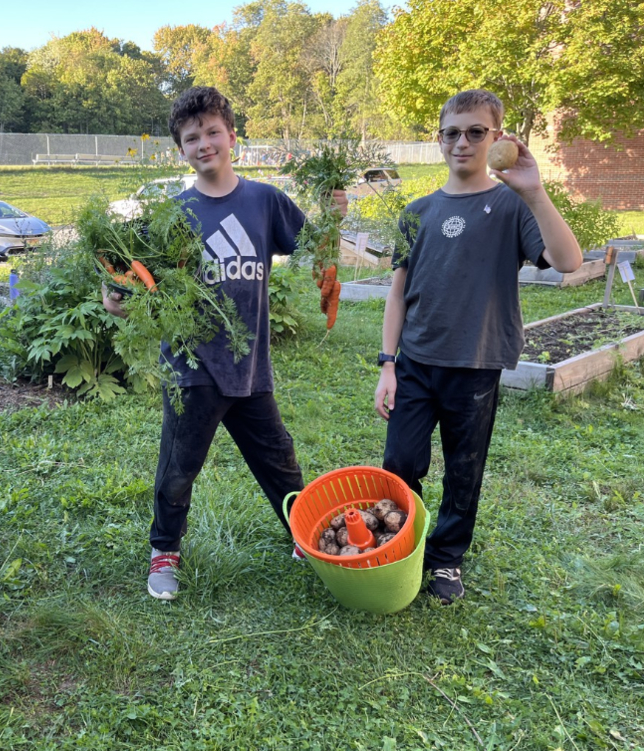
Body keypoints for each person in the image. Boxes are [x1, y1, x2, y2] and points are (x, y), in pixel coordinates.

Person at [104, 86, 345, 601]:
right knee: (178, 468)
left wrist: (334, 218)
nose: (205, 144)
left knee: (280, 460)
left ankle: (304, 536)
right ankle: (164, 551)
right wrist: (120, 298)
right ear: (181, 150)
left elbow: (314, 247)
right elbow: (132, 288)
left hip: (250, 365)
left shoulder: (264, 201)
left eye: (213, 132)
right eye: (193, 138)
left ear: (233, 137)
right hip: (192, 369)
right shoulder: (171, 216)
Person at [373, 89, 582, 604]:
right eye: (452, 133)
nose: (462, 142)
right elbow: (397, 293)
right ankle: (403, 543)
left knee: (464, 469)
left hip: (476, 364)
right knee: (400, 462)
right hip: (416, 363)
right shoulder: (417, 211)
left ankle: (447, 557)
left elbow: (568, 261)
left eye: (475, 132)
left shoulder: (512, 206)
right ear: (439, 139)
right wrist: (387, 365)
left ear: (497, 137)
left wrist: (535, 191)